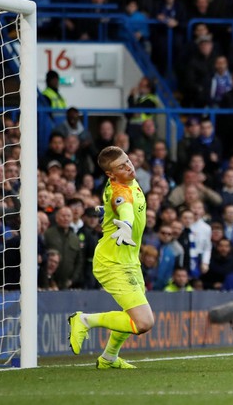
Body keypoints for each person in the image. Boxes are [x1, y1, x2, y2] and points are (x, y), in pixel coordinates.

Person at [67, 146, 153, 369]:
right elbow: (122, 205)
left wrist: (102, 210)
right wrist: (125, 223)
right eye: (121, 167)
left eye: (128, 161)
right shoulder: (118, 190)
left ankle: (108, 358)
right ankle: (84, 320)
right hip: (113, 262)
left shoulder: (126, 180)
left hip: (129, 260)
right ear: (110, 174)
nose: (129, 167)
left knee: (130, 313)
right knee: (143, 322)